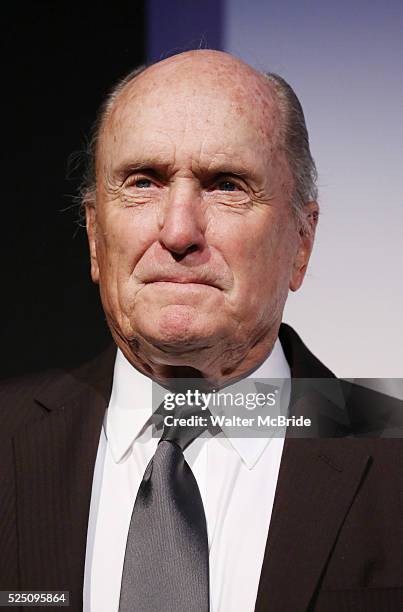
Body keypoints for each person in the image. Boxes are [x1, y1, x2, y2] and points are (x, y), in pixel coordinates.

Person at [1, 50, 403, 612]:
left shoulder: (391, 448)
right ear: (95, 236)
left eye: (227, 185)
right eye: (143, 183)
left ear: (302, 241)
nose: (179, 231)